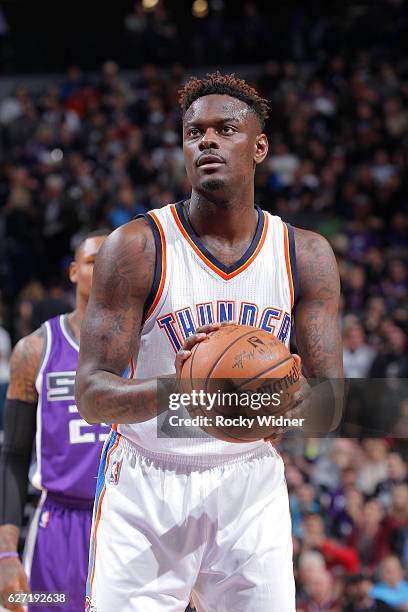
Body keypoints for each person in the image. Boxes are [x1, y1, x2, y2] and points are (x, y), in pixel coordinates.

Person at [76, 72, 343, 611]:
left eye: (225, 129)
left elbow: (331, 404)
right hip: (146, 484)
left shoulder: (304, 255)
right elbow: (91, 394)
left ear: (259, 146)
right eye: (194, 132)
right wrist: (186, 389)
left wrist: (268, 399)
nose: (207, 142)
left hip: (248, 482)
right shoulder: (136, 248)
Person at [0, 230, 110, 612]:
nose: (107, 268)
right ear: (74, 271)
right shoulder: (35, 350)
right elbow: (13, 455)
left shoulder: (151, 348)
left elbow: (183, 441)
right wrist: (5, 554)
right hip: (59, 526)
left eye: (116, 260)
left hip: (130, 521)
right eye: (96, 261)